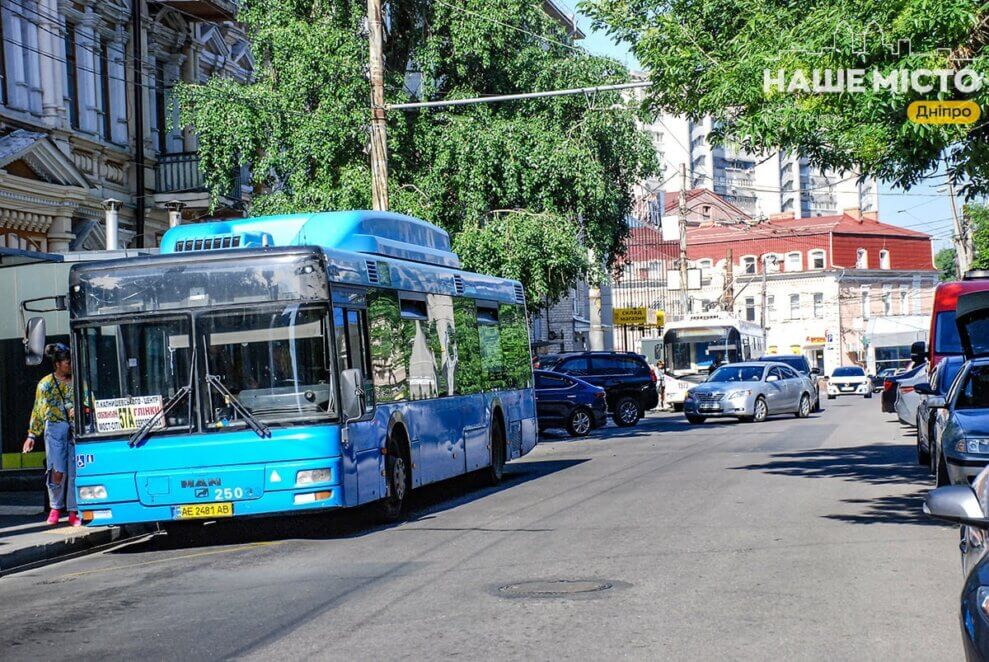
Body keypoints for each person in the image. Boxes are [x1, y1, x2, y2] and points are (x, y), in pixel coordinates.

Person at [22, 343, 80, 527]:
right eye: (67, 362)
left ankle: (73, 511)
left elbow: (89, 402)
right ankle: (55, 507)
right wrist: (32, 435)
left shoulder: (78, 382)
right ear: (57, 364)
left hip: (76, 430)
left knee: (74, 472)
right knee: (57, 470)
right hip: (54, 428)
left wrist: (80, 411)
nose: (70, 365)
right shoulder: (45, 384)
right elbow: (38, 410)